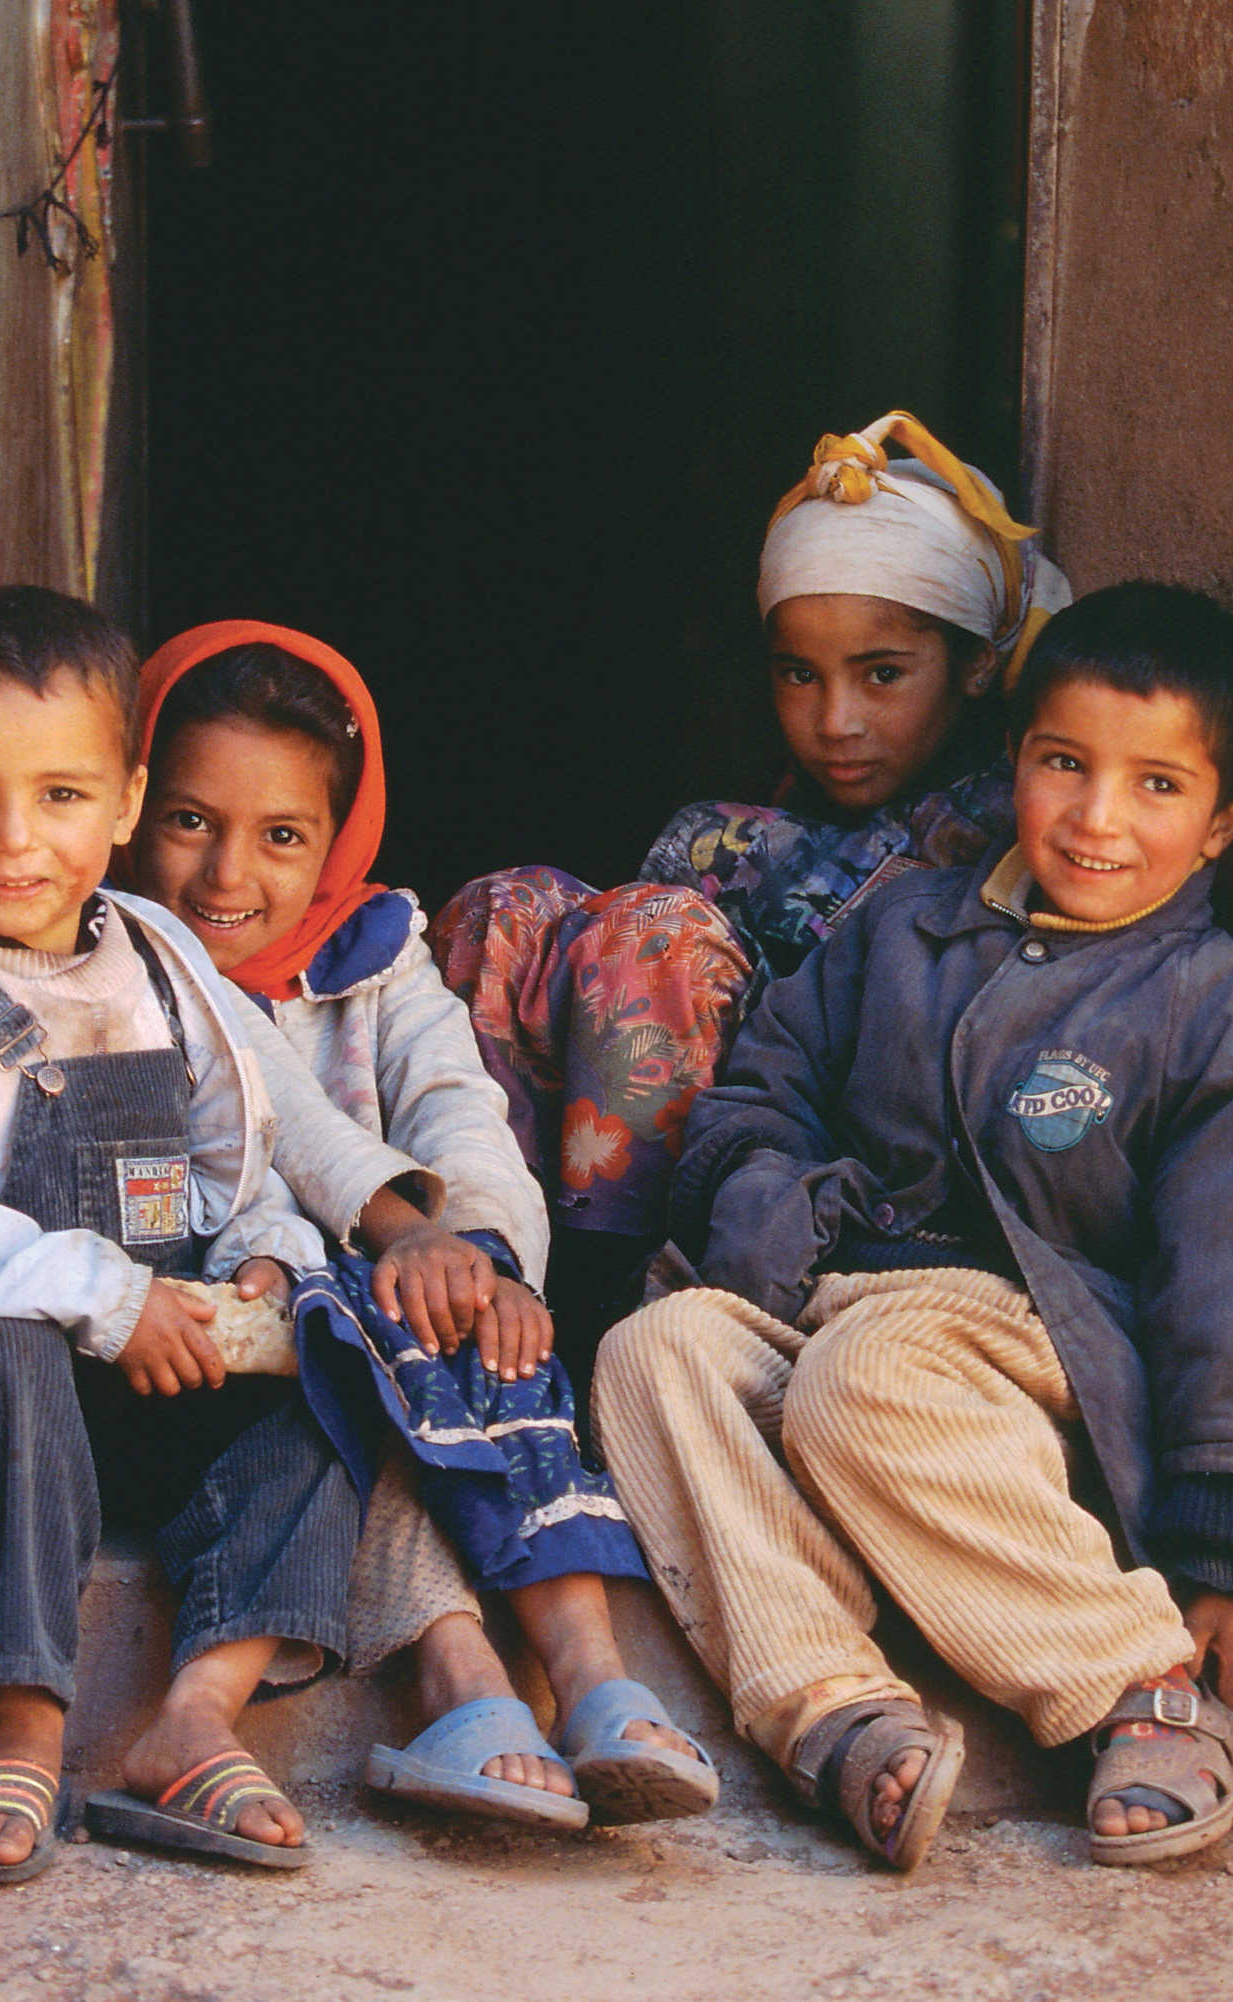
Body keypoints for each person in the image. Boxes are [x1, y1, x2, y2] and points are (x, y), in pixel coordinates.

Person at [592, 583, 1233, 1872]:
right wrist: (785, 1204)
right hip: (833, 1311)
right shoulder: (902, 923)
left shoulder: (1212, 1002)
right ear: (1016, 763)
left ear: (1226, 821)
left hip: (1028, 1364)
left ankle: (1132, 1682)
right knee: (651, 1350)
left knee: (861, 1378)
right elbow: (755, 1097)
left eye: (1157, 785)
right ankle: (836, 1710)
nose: (1099, 816)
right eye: (1065, 763)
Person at [0, 586, 479, 1880]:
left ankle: (195, 1711)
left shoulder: (160, 954)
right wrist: (99, 1295)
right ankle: (22, 1714)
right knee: (0, 1345)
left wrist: (264, 1258)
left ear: (121, 800)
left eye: (61, 797)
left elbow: (235, 1162)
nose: (17, 841)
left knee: (328, 1362)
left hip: (158, 1371)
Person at [126, 619, 717, 1830]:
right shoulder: (125, 956)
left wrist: (487, 1256)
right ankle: (462, 1671)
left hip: (394, 1292)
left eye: (283, 835)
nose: (228, 874)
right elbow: (279, 1113)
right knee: (382, 1333)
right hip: (237, 1318)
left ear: (338, 838)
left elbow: (462, 1108)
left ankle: (591, 1672)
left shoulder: (377, 953)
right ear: (131, 801)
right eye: (189, 819)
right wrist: (399, 1234)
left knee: (486, 1324)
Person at [433, 412, 1072, 1385]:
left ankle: (594, 1329)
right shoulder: (760, 824)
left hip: (809, 1152)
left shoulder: (1002, 820)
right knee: (507, 906)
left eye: (883, 674)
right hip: (705, 1099)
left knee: (655, 936)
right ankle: (481, 1270)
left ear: (978, 661)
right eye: (797, 674)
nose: (835, 720)